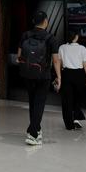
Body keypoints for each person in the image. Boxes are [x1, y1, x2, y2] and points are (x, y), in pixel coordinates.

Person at [18, 11, 61, 145]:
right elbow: (55, 60)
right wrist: (59, 77)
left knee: (32, 102)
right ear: (46, 21)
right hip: (43, 75)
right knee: (39, 103)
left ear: (33, 21)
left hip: (27, 74)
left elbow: (19, 56)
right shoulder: (51, 38)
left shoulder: (25, 35)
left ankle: (35, 128)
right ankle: (33, 134)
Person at [58, 31, 86, 130]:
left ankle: (69, 124)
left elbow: (60, 63)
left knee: (67, 99)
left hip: (66, 73)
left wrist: (59, 76)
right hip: (79, 75)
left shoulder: (62, 47)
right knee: (78, 97)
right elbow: (85, 64)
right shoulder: (82, 48)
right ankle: (76, 117)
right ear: (76, 37)